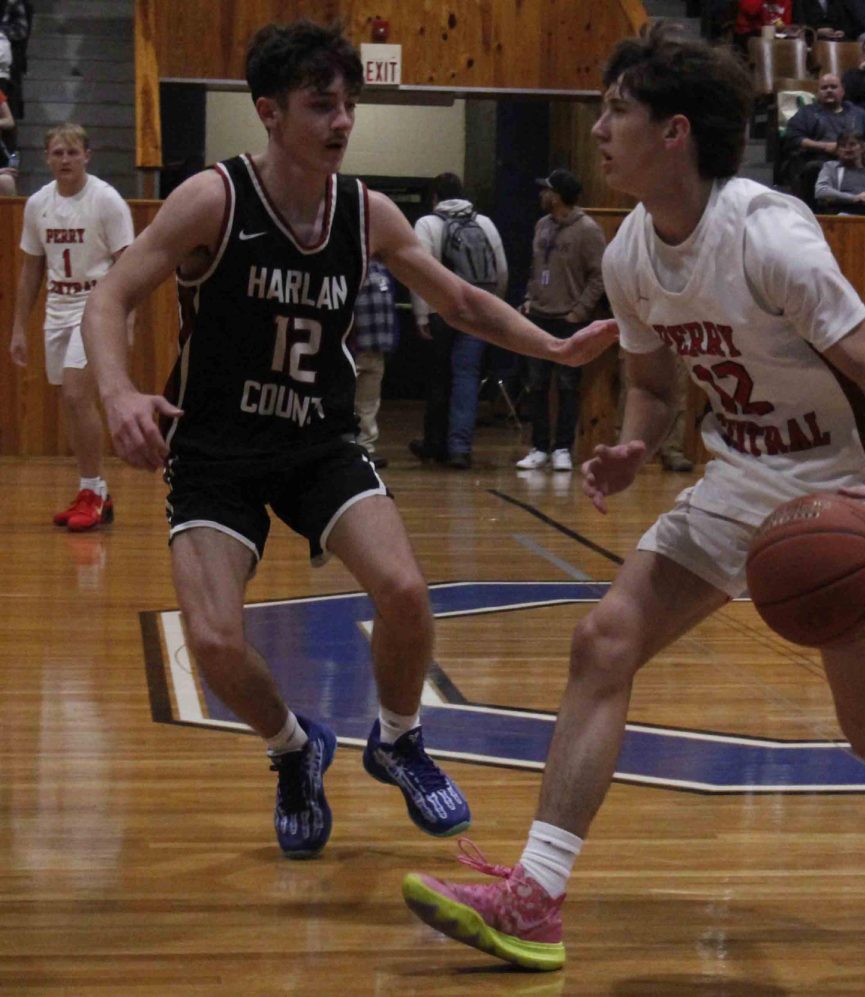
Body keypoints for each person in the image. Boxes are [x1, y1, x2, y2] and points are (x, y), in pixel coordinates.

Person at [402, 25, 865, 972]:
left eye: (616, 111)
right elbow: (653, 385)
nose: (597, 128)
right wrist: (635, 442)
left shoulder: (771, 239)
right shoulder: (631, 253)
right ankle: (536, 895)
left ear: (675, 131)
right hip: (736, 481)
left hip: (838, 492)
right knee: (604, 639)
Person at [80, 21, 616, 861]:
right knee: (215, 640)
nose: (341, 121)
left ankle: (397, 738)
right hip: (216, 449)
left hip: (319, 440)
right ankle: (294, 746)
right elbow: (108, 298)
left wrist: (551, 347)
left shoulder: (366, 211)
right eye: (320, 104)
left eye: (349, 105)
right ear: (268, 112)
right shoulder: (214, 200)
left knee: (405, 590)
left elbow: (462, 302)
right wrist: (118, 392)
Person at [9, 123, 134, 531]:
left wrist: (125, 321)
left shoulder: (106, 201)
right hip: (58, 305)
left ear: (87, 155)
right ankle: (96, 488)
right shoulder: (38, 204)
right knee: (70, 400)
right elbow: (31, 269)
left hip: (97, 303)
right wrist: (18, 328)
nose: (65, 160)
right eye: (57, 153)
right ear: (46, 158)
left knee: (79, 395)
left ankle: (92, 492)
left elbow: (130, 266)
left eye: (72, 152)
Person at [409, 171, 508, 470]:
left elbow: (418, 272)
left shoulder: (428, 224)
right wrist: (494, 307)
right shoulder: (485, 223)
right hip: (476, 314)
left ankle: (434, 444)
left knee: (439, 378)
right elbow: (501, 270)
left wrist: (421, 313)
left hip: (442, 310)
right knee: (467, 376)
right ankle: (460, 449)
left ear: (435, 197)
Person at [513, 168, 607, 473]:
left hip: (568, 318)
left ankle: (563, 447)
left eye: (547, 190)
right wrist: (529, 298)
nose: (542, 195)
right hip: (538, 315)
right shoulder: (541, 225)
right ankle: (539, 446)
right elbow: (534, 267)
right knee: (536, 385)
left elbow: (598, 275)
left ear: (558, 196)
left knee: (567, 385)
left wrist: (578, 312)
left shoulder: (588, 230)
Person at [782, 73, 865, 205]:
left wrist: (858, 149)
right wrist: (824, 146)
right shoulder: (807, 113)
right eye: (824, 88)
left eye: (833, 87)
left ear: (842, 91)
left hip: (858, 163)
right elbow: (793, 137)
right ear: (818, 92)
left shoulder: (859, 113)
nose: (829, 90)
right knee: (811, 169)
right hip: (820, 161)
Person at [350, 259, 397, 469]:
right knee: (344, 400)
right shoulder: (349, 266)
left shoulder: (382, 269)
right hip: (353, 349)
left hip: (376, 349)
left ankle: (366, 449)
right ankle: (344, 447)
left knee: (369, 403)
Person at [814, 131, 865, 214]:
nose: (847, 149)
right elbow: (820, 191)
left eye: (852, 144)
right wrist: (854, 198)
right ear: (838, 150)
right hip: (838, 216)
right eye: (843, 146)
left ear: (862, 148)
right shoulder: (830, 167)